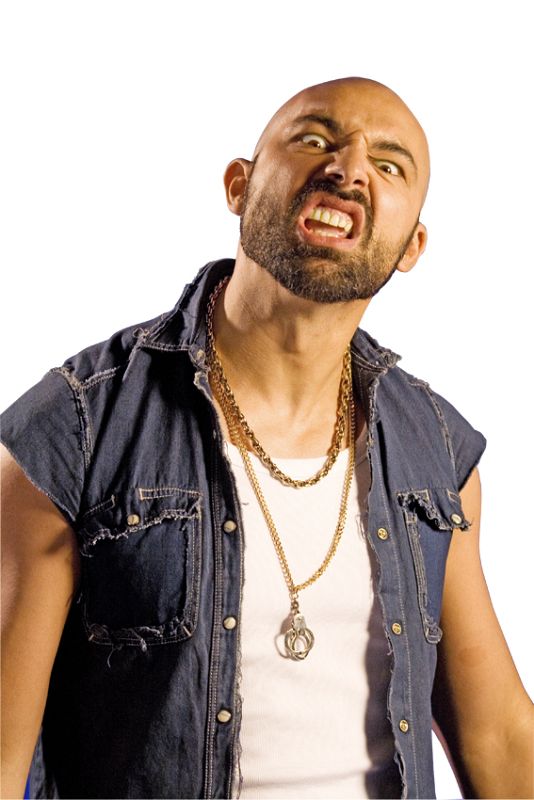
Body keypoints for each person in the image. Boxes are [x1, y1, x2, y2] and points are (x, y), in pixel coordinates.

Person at [1, 77, 532, 800]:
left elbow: (497, 736)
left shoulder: (436, 451)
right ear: (239, 186)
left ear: (412, 245)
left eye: (389, 164)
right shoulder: (75, 431)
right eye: (314, 139)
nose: (348, 168)